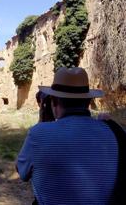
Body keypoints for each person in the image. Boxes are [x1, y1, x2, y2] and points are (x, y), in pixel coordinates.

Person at [17, 67, 124, 204]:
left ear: (54, 102)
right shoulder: (113, 131)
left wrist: (43, 122)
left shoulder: (38, 134)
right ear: (88, 101)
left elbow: (22, 172)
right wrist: (110, 125)